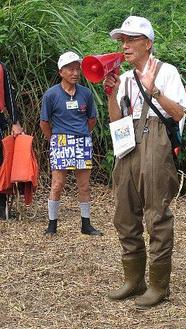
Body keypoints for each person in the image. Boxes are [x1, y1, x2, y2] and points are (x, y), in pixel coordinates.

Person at [103, 16, 186, 308]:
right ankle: (134, 280)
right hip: (127, 143)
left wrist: (155, 91)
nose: (124, 46)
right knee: (124, 214)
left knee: (156, 215)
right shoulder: (124, 78)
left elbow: (178, 114)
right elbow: (115, 120)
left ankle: (158, 285)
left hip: (156, 141)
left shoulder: (167, 72)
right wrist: (111, 94)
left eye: (130, 40)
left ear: (148, 43)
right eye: (122, 41)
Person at [40, 51, 103, 236]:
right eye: (70, 69)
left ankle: (86, 224)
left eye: (77, 69)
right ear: (61, 72)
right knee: (57, 184)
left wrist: (82, 134)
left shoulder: (86, 93)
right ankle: (52, 225)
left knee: (84, 185)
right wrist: (54, 139)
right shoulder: (51, 95)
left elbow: (92, 119)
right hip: (60, 140)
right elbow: (44, 122)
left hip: (82, 140)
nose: (75, 73)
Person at [0, 61, 23, 219]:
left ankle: (1, 206)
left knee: (1, 164)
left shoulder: (1, 67)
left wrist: (15, 122)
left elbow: (9, 94)